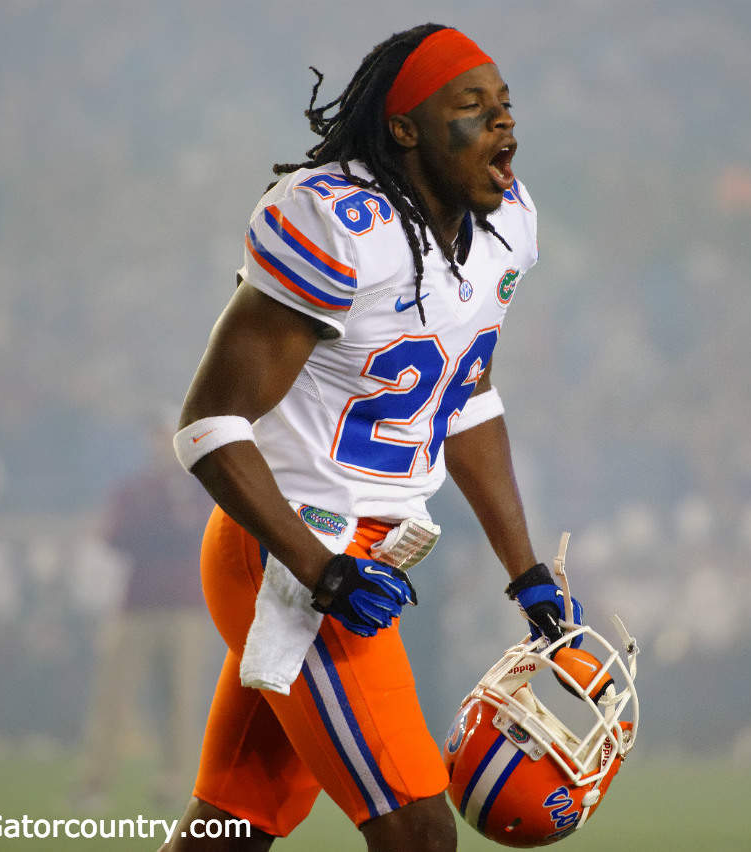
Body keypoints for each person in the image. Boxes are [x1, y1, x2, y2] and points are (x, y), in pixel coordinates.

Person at [162, 24, 581, 852]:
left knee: (227, 835)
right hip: (292, 543)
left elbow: (464, 401)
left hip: (369, 550)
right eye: (472, 107)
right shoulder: (336, 224)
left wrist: (525, 570)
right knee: (420, 832)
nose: (504, 126)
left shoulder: (507, 223)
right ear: (404, 129)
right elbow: (209, 427)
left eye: (506, 107)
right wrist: (318, 568)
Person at [77, 420, 217, 809]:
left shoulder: (198, 487)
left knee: (182, 701)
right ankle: (95, 783)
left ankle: (175, 787)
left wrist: (163, 527)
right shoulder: (135, 489)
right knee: (114, 697)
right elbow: (112, 535)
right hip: (137, 605)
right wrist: (166, 524)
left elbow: (205, 534)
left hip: (185, 609)